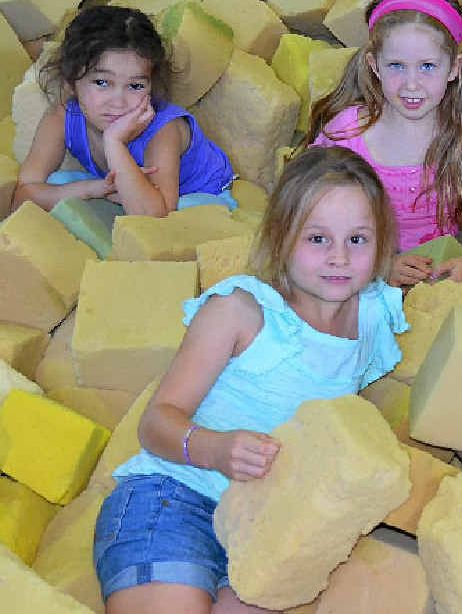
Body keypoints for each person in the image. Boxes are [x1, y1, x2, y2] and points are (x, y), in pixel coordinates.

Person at [93, 146, 408, 614]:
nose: (339, 257)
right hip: (173, 499)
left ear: (381, 243)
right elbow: (155, 423)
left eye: (358, 240)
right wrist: (216, 449)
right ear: (281, 238)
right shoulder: (241, 311)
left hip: (263, 525)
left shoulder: (373, 316)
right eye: (317, 238)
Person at [306, 0, 462, 288]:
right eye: (396, 66)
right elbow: (312, 223)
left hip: (441, 266)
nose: (411, 85)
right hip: (357, 266)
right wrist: (377, 267)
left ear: (454, 68)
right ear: (375, 66)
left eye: (427, 66)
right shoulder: (346, 134)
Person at [13, 5, 235, 217]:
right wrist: (92, 188)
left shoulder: (163, 129)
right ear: (71, 81)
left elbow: (157, 216)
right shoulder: (61, 117)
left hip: (196, 196)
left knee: (170, 220)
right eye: (101, 82)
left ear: (151, 84)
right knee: (58, 185)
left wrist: (114, 142)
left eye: (135, 86)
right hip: (134, 195)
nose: (118, 103)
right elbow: (24, 195)